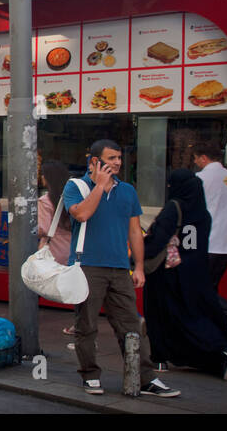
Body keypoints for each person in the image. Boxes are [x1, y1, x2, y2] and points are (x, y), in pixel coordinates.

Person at [63, 138, 179, 398]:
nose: (117, 163)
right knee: (87, 325)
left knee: (130, 325)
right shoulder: (77, 186)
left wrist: (138, 266)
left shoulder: (127, 191)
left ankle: (145, 377)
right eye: (110, 158)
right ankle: (90, 375)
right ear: (94, 161)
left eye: (118, 158)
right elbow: (81, 215)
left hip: (119, 267)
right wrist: (100, 187)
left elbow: (135, 231)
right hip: (87, 266)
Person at [142, 169, 227, 380]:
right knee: (195, 317)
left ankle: (159, 358)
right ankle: (221, 352)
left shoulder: (173, 207)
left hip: (167, 274)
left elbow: (157, 240)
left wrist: (139, 252)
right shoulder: (203, 214)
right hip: (195, 273)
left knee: (158, 313)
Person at [192, 142, 227, 327]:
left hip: (209, 242)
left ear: (203, 158)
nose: (196, 162)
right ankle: (212, 324)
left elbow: (193, 209)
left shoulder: (201, 178)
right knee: (210, 285)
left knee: (199, 286)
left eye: (196, 158)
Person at [37, 159, 78, 337]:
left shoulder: (45, 201)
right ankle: (79, 323)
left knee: (35, 283)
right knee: (78, 287)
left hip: (53, 249)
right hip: (73, 247)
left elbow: (43, 228)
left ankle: (27, 318)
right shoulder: (73, 197)